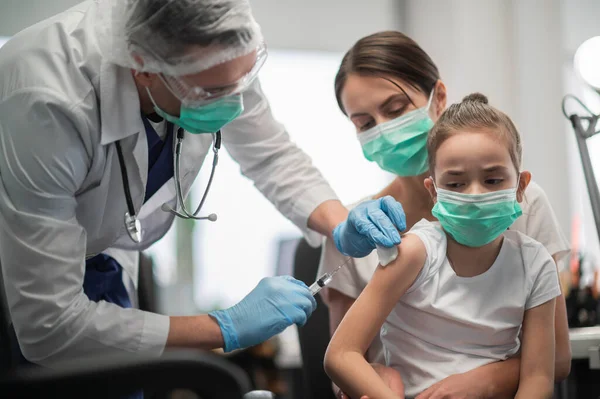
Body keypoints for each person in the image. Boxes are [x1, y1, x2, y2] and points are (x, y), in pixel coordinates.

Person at [0, 0, 406, 378]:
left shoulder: (217, 57)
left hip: (104, 266)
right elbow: (48, 326)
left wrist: (339, 224)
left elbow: (270, 154)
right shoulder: (46, 100)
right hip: (21, 274)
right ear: (143, 67)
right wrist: (224, 326)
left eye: (243, 80)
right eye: (211, 93)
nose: (234, 103)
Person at [319, 31, 571, 398]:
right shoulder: (358, 229)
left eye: (394, 109)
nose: (385, 131)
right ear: (433, 192)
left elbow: (556, 360)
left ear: (438, 98)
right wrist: (378, 380)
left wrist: (483, 381)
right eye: (365, 123)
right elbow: (342, 364)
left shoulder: (525, 205)